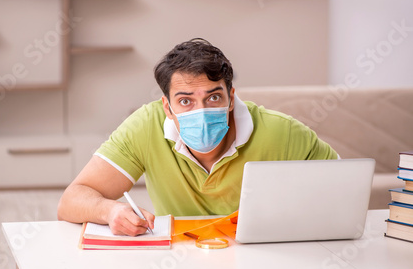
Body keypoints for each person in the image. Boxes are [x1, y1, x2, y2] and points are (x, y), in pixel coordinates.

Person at [57, 38, 338, 236]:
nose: (201, 111)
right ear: (167, 107)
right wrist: (110, 212)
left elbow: (340, 192)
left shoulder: (282, 132)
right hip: (180, 258)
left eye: (213, 97)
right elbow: (71, 201)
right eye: (186, 101)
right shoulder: (144, 126)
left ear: (231, 99)